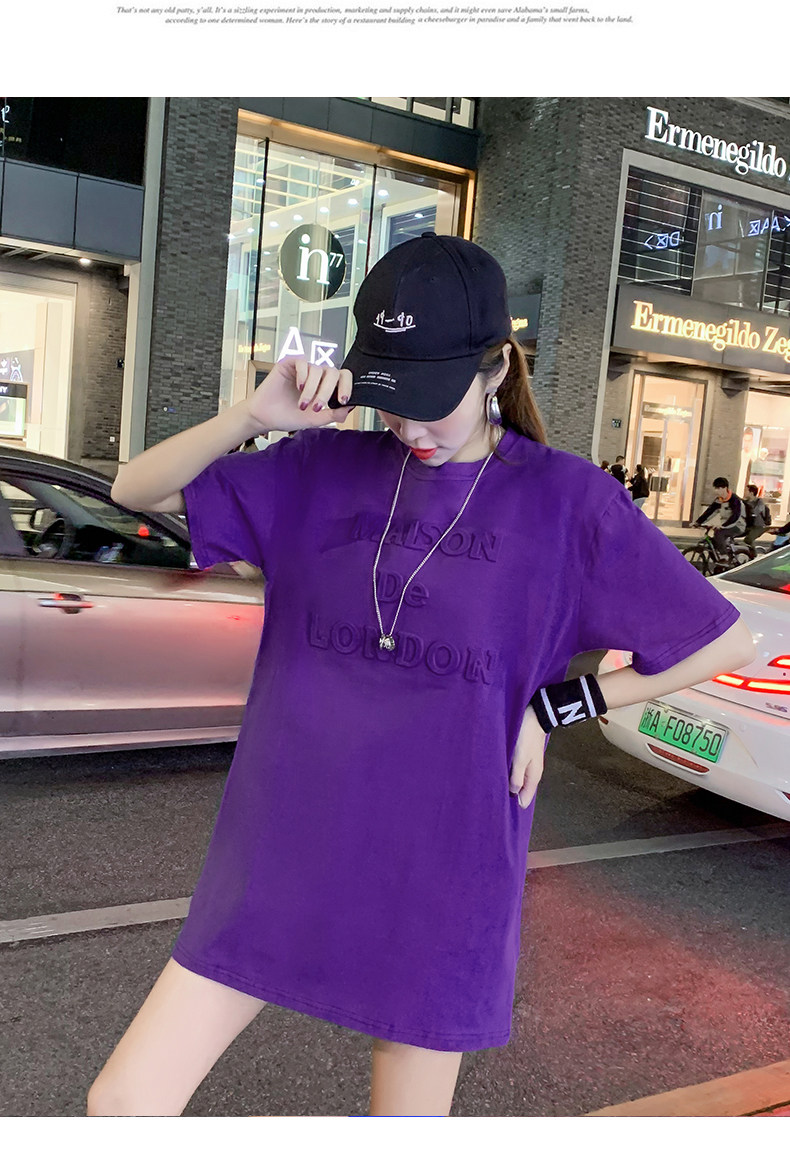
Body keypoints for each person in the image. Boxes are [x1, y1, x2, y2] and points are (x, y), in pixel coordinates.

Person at [91, 233, 753, 1119]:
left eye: (431, 401)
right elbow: (134, 490)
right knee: (122, 1105)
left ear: (496, 368)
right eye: (392, 398)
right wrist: (252, 415)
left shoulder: (568, 503)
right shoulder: (319, 467)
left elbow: (726, 640)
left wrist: (560, 705)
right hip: (282, 843)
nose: (409, 427)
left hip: (445, 863)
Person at [693, 477, 746, 556]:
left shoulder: (735, 500)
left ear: (725, 488)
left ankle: (724, 556)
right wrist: (698, 522)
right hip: (725, 525)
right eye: (715, 488)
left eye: (718, 488)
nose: (716, 491)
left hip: (738, 525)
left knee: (719, 534)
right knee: (713, 542)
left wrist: (723, 525)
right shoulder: (719, 500)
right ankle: (717, 560)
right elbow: (709, 512)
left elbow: (736, 517)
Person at [743, 483, 771, 548]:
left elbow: (756, 512)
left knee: (748, 540)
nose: (744, 492)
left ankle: (753, 553)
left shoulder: (759, 502)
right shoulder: (745, 502)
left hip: (759, 526)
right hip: (749, 525)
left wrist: (748, 512)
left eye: (746, 490)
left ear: (751, 493)